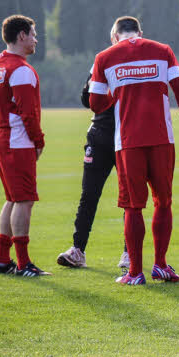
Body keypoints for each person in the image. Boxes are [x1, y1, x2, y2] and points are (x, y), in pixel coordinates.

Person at [88, 16, 179, 286]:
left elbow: (94, 103)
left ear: (114, 36)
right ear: (140, 32)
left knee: (133, 206)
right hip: (163, 138)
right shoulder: (163, 51)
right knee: (163, 202)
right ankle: (160, 265)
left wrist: (119, 93)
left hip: (128, 141)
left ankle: (135, 272)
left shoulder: (104, 57)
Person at [0, 15, 48, 277]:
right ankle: (23, 264)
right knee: (24, 200)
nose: (36, 39)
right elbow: (28, 113)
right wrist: (38, 140)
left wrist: (1, 127)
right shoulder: (21, 70)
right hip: (18, 140)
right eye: (33, 34)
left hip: (3, 136)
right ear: (21, 36)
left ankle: (3, 260)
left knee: (12, 199)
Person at [56, 43, 127, 270]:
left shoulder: (143, 62)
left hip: (128, 138)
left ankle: (129, 252)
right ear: (114, 38)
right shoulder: (102, 60)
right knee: (89, 194)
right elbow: (86, 100)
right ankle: (78, 249)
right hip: (100, 136)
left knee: (130, 199)